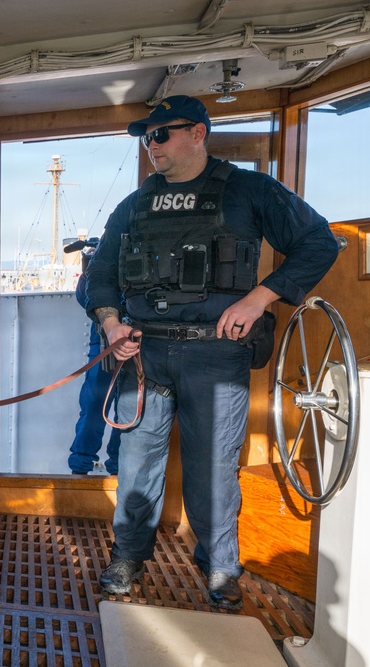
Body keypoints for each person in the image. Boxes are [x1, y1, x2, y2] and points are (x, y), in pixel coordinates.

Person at [84, 95, 338, 610]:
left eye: (161, 134)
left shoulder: (248, 188)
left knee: (213, 469)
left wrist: (260, 296)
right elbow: (100, 275)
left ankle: (220, 568)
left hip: (215, 354)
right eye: (146, 137)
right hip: (143, 353)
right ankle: (128, 558)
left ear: (198, 133)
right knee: (136, 466)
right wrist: (111, 323)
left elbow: (320, 241)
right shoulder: (134, 204)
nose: (151, 145)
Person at [67, 243, 121, 475]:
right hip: (103, 345)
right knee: (93, 407)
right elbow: (84, 297)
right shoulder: (101, 257)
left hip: (134, 345)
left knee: (129, 410)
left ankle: (118, 467)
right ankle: (81, 468)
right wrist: (91, 265)